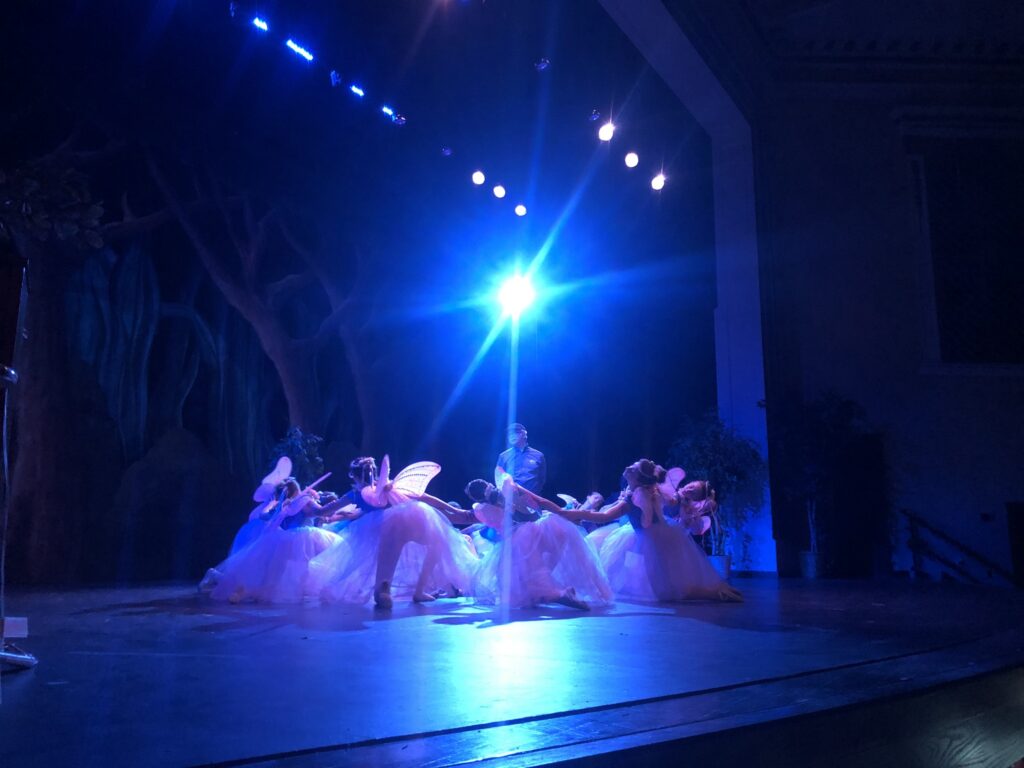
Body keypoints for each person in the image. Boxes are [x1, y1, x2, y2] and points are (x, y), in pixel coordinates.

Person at [309, 456, 477, 608]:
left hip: (385, 527)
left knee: (389, 556)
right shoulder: (390, 487)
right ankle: (416, 590)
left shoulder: (358, 493)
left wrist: (311, 505)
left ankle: (384, 590)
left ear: (354, 475)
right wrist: (453, 510)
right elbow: (423, 496)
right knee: (436, 543)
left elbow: (324, 510)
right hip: (411, 521)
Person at [565, 459, 741, 603]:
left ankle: (715, 592)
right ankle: (592, 584)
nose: (689, 489)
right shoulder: (654, 490)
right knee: (605, 549)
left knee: (669, 589)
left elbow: (652, 516)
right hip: (640, 530)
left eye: (693, 492)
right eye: (691, 486)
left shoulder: (660, 496)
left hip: (657, 535)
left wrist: (686, 508)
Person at [466, 476, 611, 610]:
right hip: (534, 529)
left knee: (525, 575)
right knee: (536, 567)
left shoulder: (481, 509)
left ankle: (556, 593)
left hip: (515, 540)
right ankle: (559, 593)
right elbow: (540, 503)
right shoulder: (507, 488)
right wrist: (562, 512)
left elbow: (484, 524)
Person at [201, 478, 346, 604]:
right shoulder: (305, 500)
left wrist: (272, 506)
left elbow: (265, 517)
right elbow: (321, 511)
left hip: (284, 539)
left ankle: (234, 586)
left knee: (275, 571)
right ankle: (235, 586)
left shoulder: (285, 504)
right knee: (286, 570)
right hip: (300, 538)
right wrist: (342, 503)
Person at [495, 423, 546, 494]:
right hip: (511, 499)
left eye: (515, 432)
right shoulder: (503, 456)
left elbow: (542, 479)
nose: (512, 436)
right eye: (509, 434)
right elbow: (498, 478)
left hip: (533, 499)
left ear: (524, 434)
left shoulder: (539, 455)